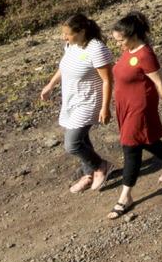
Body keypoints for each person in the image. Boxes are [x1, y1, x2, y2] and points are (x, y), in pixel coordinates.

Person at [106, 12, 162, 221]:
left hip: (140, 107)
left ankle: (126, 196)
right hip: (125, 105)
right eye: (116, 40)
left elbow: (159, 82)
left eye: (120, 40)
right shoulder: (129, 50)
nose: (118, 44)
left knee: (130, 146)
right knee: (145, 139)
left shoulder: (145, 55)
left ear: (134, 35)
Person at [39, 13, 112, 194]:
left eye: (68, 34)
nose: (64, 37)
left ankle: (101, 166)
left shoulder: (96, 49)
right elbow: (64, 67)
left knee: (72, 143)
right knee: (82, 139)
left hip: (90, 101)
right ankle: (89, 174)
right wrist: (50, 85)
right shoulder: (71, 46)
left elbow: (107, 80)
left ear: (81, 32)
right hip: (72, 100)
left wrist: (105, 107)